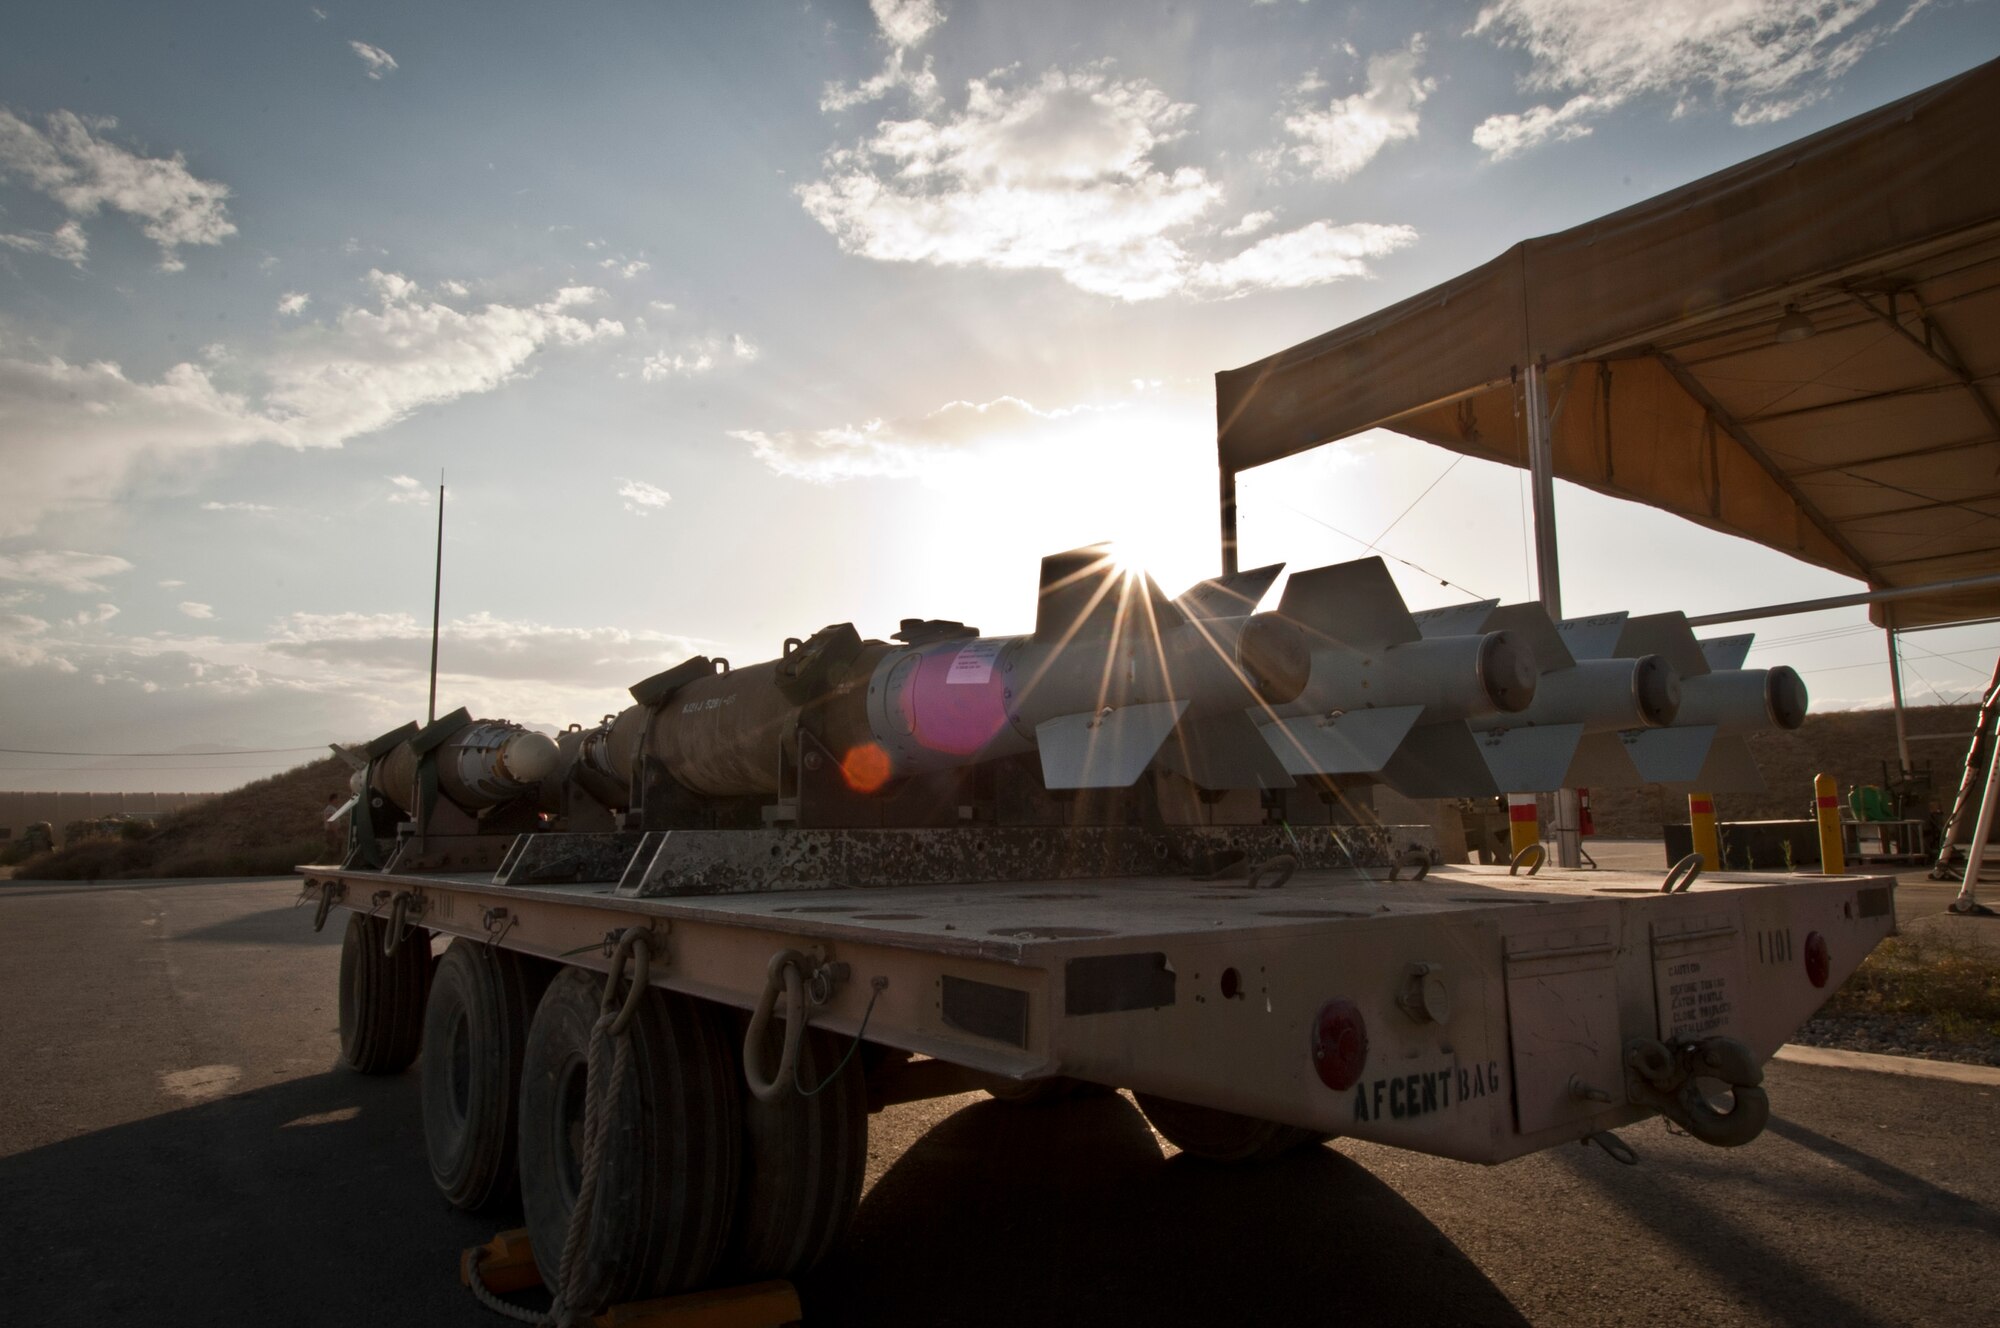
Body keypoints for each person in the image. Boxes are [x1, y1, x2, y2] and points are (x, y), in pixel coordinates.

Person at [323, 792, 347, 859]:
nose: (338, 800)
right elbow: (331, 821)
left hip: (334, 830)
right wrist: (336, 833)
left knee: (338, 845)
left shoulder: (333, 808)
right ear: (334, 799)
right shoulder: (330, 809)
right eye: (337, 799)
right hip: (332, 832)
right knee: (333, 848)